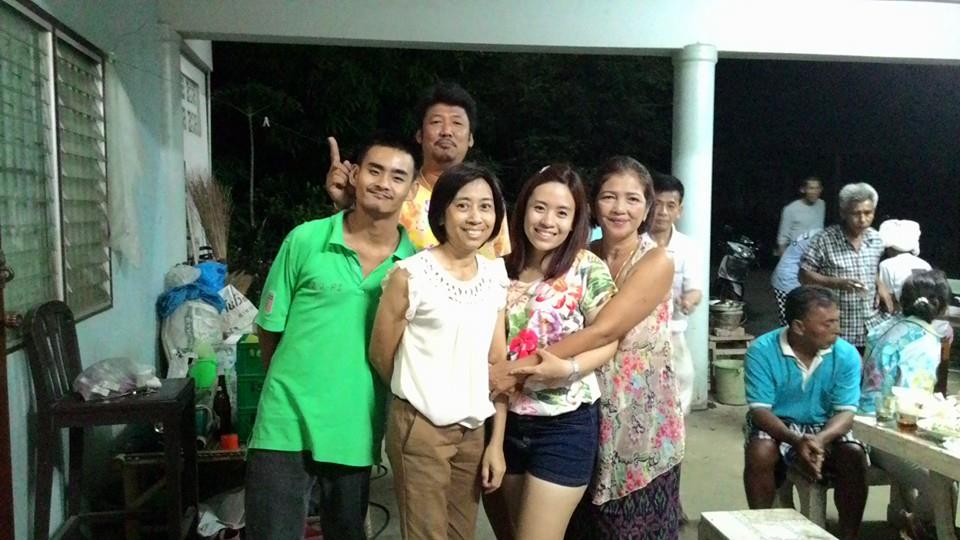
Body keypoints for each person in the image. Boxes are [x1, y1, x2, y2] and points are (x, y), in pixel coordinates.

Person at [245, 139, 419, 540]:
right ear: (354, 174)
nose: (383, 183)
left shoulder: (415, 267)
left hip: (355, 427)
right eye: (374, 170)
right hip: (284, 422)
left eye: (397, 177)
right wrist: (290, 384)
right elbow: (269, 329)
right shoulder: (305, 240)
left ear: (411, 190)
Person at [368, 163, 509, 539]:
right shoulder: (411, 275)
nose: (475, 217)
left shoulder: (495, 276)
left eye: (486, 206)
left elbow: (497, 361)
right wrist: (420, 393)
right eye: (463, 205)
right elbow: (381, 353)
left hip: (473, 430)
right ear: (442, 213)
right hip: (421, 428)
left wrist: (495, 443)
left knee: (461, 534)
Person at [486, 164, 620, 540]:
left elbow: (608, 338)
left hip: (565, 424)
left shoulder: (586, 267)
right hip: (507, 422)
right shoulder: (498, 270)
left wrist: (569, 368)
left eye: (562, 212)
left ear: (576, 220)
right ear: (523, 209)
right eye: (539, 208)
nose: (548, 221)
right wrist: (495, 441)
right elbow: (496, 361)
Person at [567, 157, 681, 538]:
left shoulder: (656, 260)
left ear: (647, 208)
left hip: (642, 417)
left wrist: (531, 364)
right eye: (609, 197)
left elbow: (605, 330)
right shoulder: (581, 257)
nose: (620, 208)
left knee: (634, 527)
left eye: (633, 199)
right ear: (592, 204)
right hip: (585, 406)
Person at [326, 82, 510, 258]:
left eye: (457, 123)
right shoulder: (394, 193)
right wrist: (345, 206)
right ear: (420, 135)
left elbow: (501, 260)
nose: (446, 131)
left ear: (470, 138)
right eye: (436, 122)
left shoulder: (488, 200)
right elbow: (354, 248)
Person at [743, 286, 867, 540]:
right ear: (799, 327)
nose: (837, 329)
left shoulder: (846, 354)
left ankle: (850, 536)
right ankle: (760, 528)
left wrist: (818, 440)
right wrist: (796, 440)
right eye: (828, 323)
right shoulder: (762, 350)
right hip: (779, 423)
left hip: (827, 425)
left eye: (837, 321)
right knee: (760, 452)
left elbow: (845, 413)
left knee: (854, 456)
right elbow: (760, 411)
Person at [858, 270, 954, 539]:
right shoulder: (924, 341)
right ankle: (922, 525)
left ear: (902, 300)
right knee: (944, 485)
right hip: (886, 435)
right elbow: (913, 404)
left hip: (863, 423)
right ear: (942, 306)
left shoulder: (884, 327)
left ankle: (909, 519)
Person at [800, 182, 884, 352]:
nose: (862, 219)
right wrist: (836, 283)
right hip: (839, 329)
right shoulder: (824, 240)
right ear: (843, 213)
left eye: (868, 213)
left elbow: (872, 268)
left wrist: (880, 285)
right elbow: (804, 275)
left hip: (871, 326)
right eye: (856, 213)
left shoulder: (876, 239)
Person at [643, 171, 701, 414]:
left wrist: (688, 301)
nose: (662, 212)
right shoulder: (633, 242)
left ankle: (674, 433)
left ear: (679, 210)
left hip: (672, 332)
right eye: (657, 204)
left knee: (682, 385)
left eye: (670, 205)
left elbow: (695, 290)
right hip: (637, 333)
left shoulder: (687, 247)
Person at [876, 219, 931, 314]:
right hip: (924, 315)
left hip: (900, 316)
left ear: (890, 247)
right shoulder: (925, 264)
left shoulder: (886, 265)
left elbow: (888, 300)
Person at [771, 229, 821, 326]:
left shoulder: (817, 232)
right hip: (788, 280)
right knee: (792, 322)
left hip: (789, 276)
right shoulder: (820, 239)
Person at [776, 176, 825, 256]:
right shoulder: (790, 209)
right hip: (797, 254)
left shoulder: (822, 204)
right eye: (811, 188)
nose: (815, 192)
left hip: (816, 254)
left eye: (817, 188)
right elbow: (782, 240)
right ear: (802, 190)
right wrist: (785, 260)